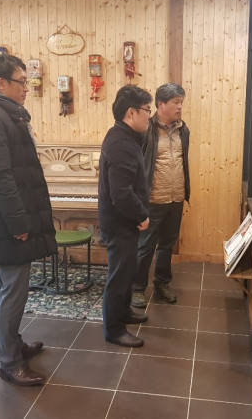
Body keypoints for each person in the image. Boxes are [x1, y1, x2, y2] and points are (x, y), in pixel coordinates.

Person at [0, 53, 57, 386]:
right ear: (1, 83)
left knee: (14, 288)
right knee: (13, 292)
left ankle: (14, 344)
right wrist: (18, 224)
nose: (27, 88)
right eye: (22, 81)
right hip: (7, 225)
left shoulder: (8, 116)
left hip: (11, 221)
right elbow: (0, 178)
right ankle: (9, 362)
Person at [99, 85, 153, 347]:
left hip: (124, 222)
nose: (149, 116)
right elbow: (121, 193)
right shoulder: (121, 143)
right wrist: (142, 215)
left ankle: (123, 313)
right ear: (131, 112)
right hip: (120, 223)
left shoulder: (125, 137)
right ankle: (113, 329)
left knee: (127, 271)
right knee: (119, 277)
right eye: (147, 110)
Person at [131, 83, 190, 308]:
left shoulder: (183, 130)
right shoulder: (146, 129)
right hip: (153, 199)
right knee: (145, 246)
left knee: (167, 245)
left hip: (176, 198)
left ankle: (162, 283)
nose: (180, 107)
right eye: (176, 102)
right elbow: (138, 166)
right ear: (160, 104)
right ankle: (137, 288)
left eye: (181, 102)